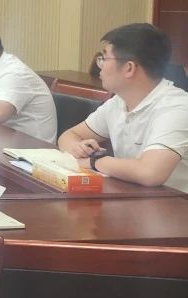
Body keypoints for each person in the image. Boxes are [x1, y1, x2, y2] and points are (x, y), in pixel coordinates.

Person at [58, 23, 188, 191]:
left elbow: (150, 173)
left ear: (129, 68)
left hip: (175, 203)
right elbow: (69, 135)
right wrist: (78, 149)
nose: (99, 66)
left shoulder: (177, 108)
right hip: (134, 196)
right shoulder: (118, 102)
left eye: (104, 59)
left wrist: (95, 161)